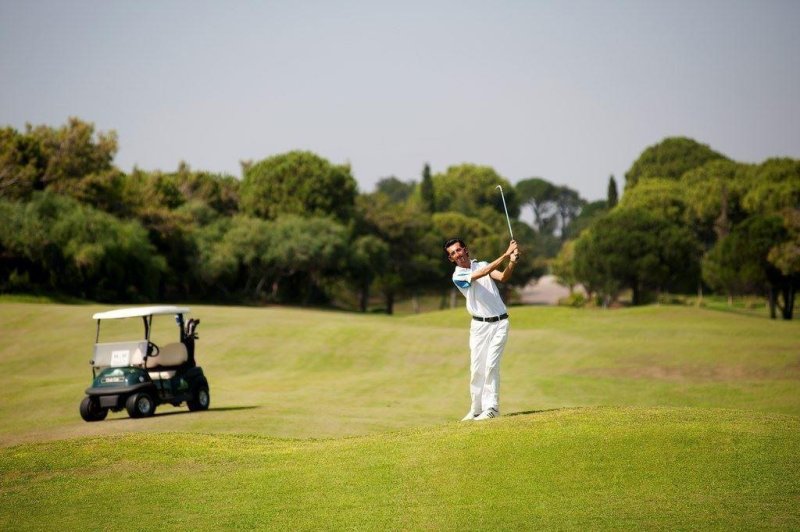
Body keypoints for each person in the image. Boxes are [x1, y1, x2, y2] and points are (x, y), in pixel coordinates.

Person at [444, 237, 520, 421]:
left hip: (500, 323)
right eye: (453, 253)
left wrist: (512, 262)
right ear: (451, 259)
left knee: (491, 365)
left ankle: (492, 407)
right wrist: (506, 253)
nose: (457, 254)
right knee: (477, 369)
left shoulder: (482, 264)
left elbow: (502, 277)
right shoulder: (458, 276)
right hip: (479, 326)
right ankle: (477, 409)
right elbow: (484, 272)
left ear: (466, 249)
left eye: (459, 250)